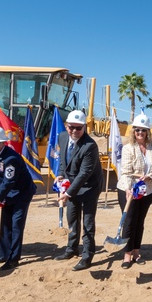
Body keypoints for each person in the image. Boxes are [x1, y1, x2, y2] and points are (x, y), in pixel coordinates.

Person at [55, 110, 104, 271]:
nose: (74, 131)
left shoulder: (90, 146)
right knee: (72, 218)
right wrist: (61, 175)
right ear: (66, 126)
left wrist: (68, 193)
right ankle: (71, 249)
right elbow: (63, 160)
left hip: (89, 187)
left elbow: (84, 174)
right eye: (71, 127)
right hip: (72, 185)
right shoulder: (62, 137)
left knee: (88, 223)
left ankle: (87, 256)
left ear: (84, 127)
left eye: (78, 128)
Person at [0, 126, 36, 272]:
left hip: (22, 193)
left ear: (3, 143)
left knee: (16, 224)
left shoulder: (11, 158)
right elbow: (2, 179)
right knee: (5, 224)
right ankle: (4, 254)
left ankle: (13, 258)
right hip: (9, 192)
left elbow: (9, 181)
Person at [116, 113, 152, 269]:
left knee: (140, 222)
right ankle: (127, 255)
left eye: (143, 130)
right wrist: (128, 188)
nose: (140, 133)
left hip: (147, 190)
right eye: (137, 130)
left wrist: (150, 175)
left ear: (148, 131)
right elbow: (126, 171)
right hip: (129, 189)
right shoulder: (128, 148)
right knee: (129, 222)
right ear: (133, 131)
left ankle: (136, 252)